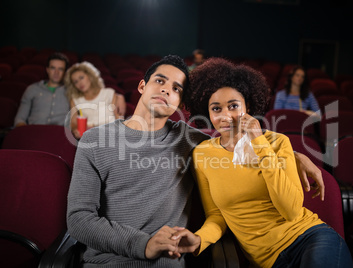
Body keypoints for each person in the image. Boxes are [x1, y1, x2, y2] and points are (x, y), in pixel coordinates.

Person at [67, 55, 326, 267]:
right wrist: (142, 245)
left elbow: (234, 143)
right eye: (160, 81)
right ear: (142, 86)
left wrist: (293, 155)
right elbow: (79, 218)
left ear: (180, 102)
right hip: (107, 262)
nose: (167, 89)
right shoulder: (95, 141)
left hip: (165, 263)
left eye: (177, 88)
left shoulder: (189, 140)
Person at [172, 58, 352, 268]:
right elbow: (217, 216)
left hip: (310, 238)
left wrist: (259, 143)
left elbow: (291, 211)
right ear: (208, 113)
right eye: (216, 109)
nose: (225, 116)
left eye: (233, 106)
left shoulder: (277, 143)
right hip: (268, 261)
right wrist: (200, 239)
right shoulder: (202, 155)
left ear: (247, 106)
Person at [64, 61, 126, 139]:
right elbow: (73, 123)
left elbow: (118, 119)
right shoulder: (75, 100)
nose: (80, 83)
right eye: (76, 81)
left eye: (81, 77)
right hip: (90, 137)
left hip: (112, 135)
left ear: (90, 76)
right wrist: (75, 130)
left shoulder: (109, 93)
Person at [14, 52, 71, 127]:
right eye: (53, 68)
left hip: (59, 135)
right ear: (47, 70)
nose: (56, 72)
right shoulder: (32, 89)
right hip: (34, 133)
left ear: (65, 72)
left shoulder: (71, 91)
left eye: (60, 69)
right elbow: (20, 119)